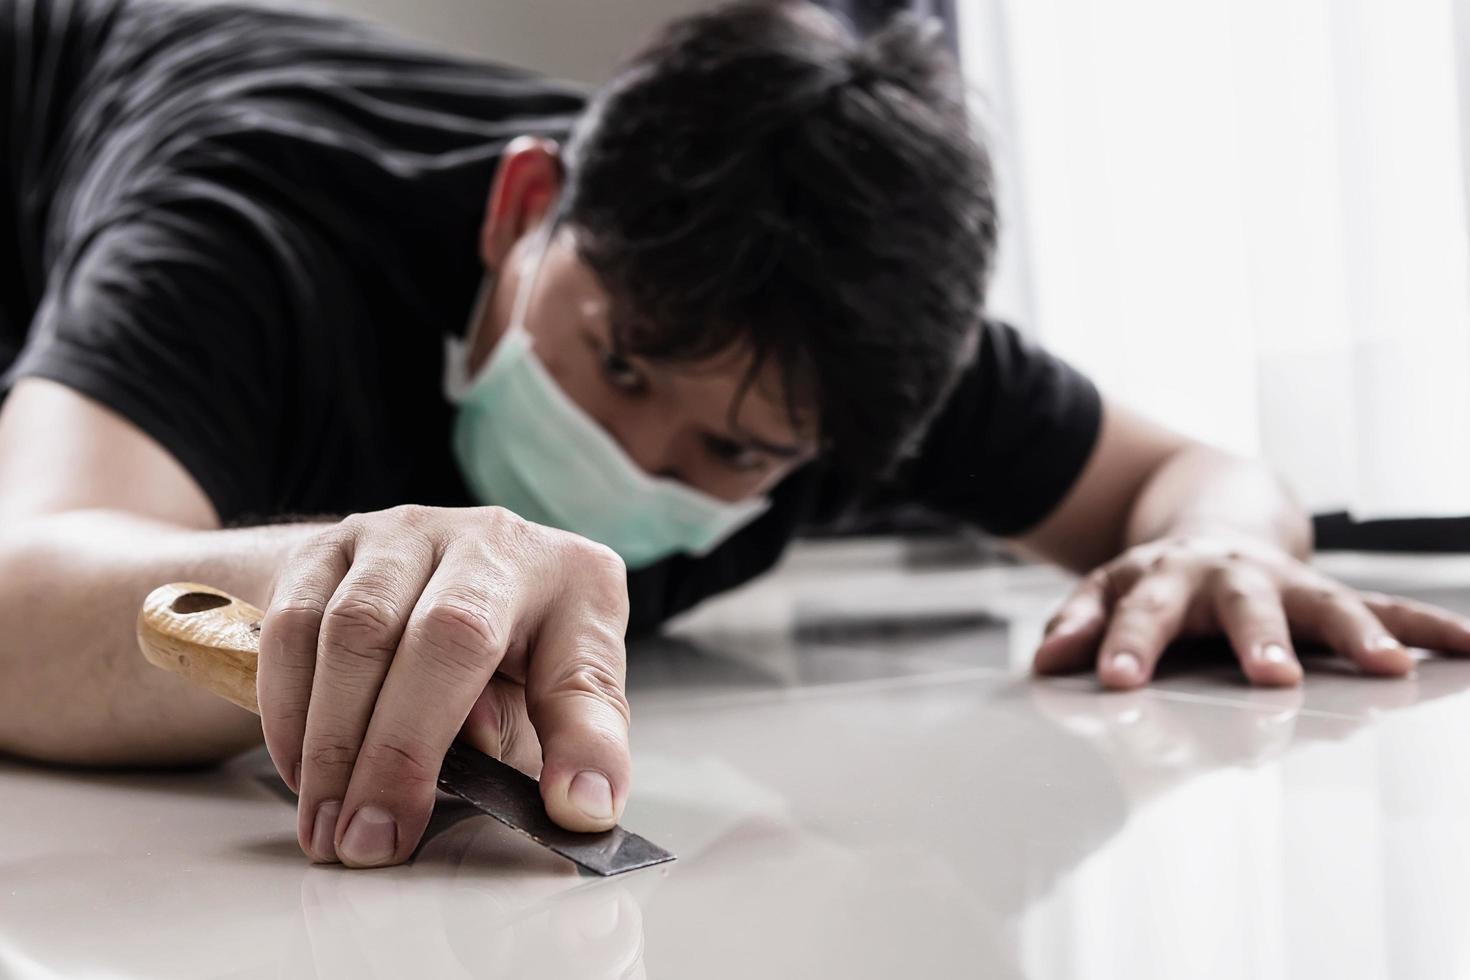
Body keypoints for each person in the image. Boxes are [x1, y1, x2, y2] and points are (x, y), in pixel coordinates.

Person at [1, 0, 1466, 872]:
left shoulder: (844, 348)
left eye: (735, 457)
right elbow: (19, 592)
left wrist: (1219, 546)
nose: (638, 464)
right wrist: (334, 585)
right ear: (523, 211)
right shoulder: (244, 230)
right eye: (619, 365)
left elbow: (1187, 475)